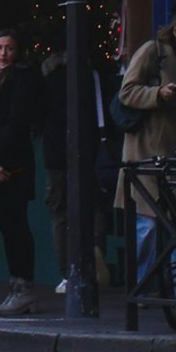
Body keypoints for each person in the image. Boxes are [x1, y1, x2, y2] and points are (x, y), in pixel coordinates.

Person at [116, 2, 176, 291]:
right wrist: (158, 94)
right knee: (148, 226)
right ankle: (142, 287)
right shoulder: (153, 51)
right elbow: (127, 91)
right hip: (149, 149)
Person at [0, 28, 44, 315]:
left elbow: (15, 123)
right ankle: (17, 286)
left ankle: (24, 287)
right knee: (7, 225)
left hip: (15, 163)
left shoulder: (22, 79)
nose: (3, 54)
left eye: (9, 48)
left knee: (16, 226)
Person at [40, 49, 112, 297]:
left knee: (61, 211)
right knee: (93, 208)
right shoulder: (92, 75)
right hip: (88, 148)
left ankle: (68, 273)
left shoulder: (50, 77)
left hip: (58, 152)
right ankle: (92, 266)